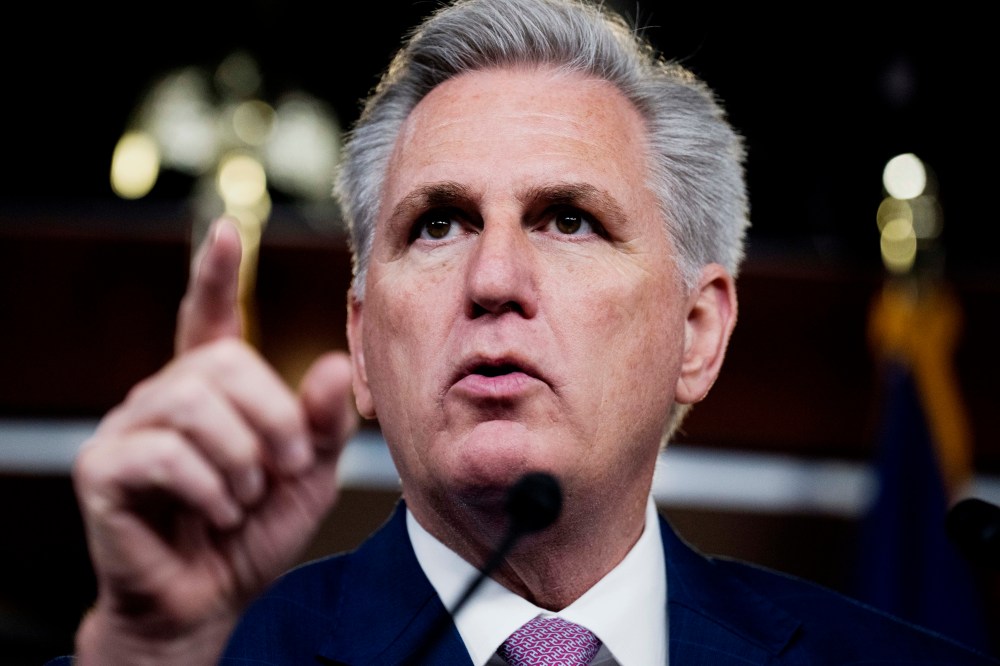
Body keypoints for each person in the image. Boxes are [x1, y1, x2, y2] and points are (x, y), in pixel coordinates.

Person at [53, 0, 998, 664]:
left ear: (699, 333)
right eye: (437, 224)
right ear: (365, 345)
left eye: (567, 219)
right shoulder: (185, 659)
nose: (493, 281)